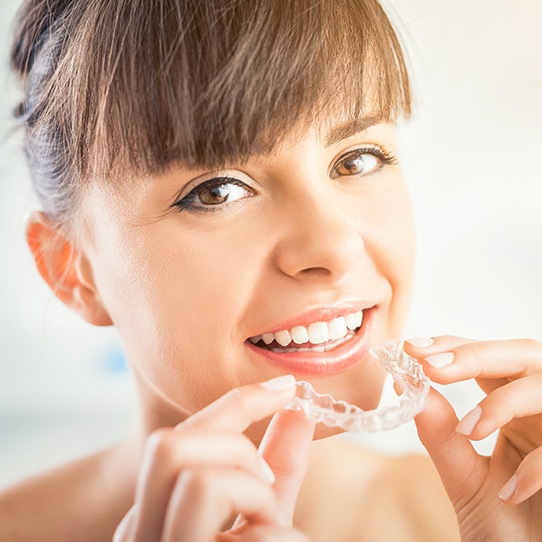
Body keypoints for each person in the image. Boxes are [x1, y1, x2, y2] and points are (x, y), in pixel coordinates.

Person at [1, 0, 541, 540]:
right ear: (73, 270)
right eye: (217, 191)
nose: (334, 246)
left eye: (356, 160)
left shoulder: (502, 514)